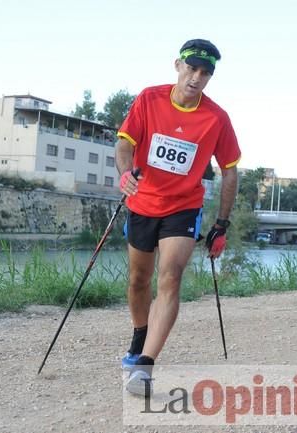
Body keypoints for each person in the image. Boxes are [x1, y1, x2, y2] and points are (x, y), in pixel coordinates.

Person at [115, 39, 241, 396]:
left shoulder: (216, 118)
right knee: (139, 280)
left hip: (184, 208)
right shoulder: (149, 98)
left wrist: (222, 224)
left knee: (170, 278)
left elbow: (230, 171)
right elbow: (124, 144)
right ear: (178, 65)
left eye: (206, 73)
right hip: (142, 202)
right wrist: (125, 174)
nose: (197, 78)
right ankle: (140, 333)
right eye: (192, 69)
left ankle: (144, 366)